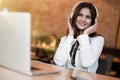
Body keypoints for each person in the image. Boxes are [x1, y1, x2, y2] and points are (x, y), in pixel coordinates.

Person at [53, 2, 104, 73]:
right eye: (80, 15)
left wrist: (85, 34)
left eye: (88, 17)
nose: (83, 19)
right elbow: (58, 62)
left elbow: (86, 63)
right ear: (73, 16)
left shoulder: (98, 40)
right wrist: (70, 34)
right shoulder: (66, 39)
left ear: (93, 21)